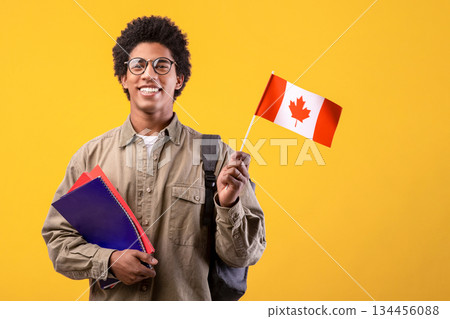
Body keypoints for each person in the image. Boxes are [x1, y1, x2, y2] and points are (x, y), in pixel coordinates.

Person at [42, 16, 266, 301]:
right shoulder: (90, 157)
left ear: (179, 78)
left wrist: (228, 202)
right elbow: (59, 243)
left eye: (162, 65)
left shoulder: (218, 156)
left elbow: (243, 255)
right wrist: (108, 260)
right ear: (124, 77)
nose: (149, 74)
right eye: (137, 65)